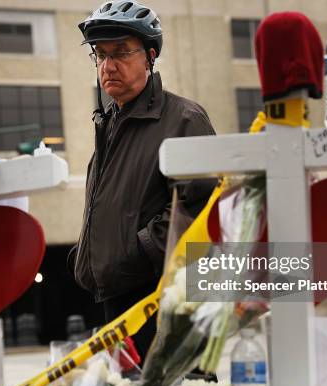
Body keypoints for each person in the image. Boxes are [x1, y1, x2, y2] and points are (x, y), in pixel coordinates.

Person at [68, 0, 217, 362]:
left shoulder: (183, 118)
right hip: (114, 297)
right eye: (100, 55)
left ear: (150, 56)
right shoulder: (110, 122)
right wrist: (87, 257)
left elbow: (201, 207)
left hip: (161, 298)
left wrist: (137, 250)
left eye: (121, 52)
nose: (108, 65)